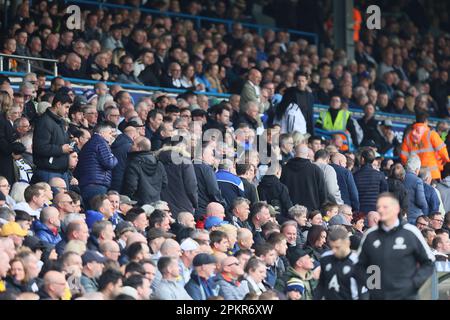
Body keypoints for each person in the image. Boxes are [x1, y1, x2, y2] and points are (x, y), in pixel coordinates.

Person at [355, 193, 435, 300]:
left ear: (396, 209)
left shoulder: (410, 232)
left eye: (385, 207)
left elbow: (429, 261)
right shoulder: (370, 235)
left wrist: (413, 284)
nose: (381, 210)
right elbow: (359, 265)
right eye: (379, 207)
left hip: (406, 296)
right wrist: (371, 285)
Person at [32, 92, 73, 185]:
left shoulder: (60, 121)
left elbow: (59, 142)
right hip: (48, 172)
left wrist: (71, 142)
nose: (68, 111)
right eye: (66, 107)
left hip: (61, 171)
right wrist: (61, 149)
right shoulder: (44, 121)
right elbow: (40, 147)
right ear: (58, 104)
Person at [314, 226, 366, 300]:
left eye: (337, 247)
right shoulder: (325, 258)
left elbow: (363, 293)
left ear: (347, 243)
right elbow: (322, 284)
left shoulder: (357, 263)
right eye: (332, 247)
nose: (334, 251)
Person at [75, 122, 118, 209]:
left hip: (87, 185)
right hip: (97, 184)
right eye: (109, 133)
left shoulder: (90, 143)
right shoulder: (100, 142)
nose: (111, 136)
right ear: (101, 133)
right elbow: (109, 163)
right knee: (98, 213)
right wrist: (114, 157)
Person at [400, 112, 449, 180]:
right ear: (426, 121)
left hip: (415, 174)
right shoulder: (431, 134)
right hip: (432, 174)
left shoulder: (408, 137)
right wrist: (446, 159)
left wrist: (410, 168)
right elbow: (442, 150)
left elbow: (403, 156)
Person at [157, 140, 198, 218]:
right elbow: (191, 185)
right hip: (183, 206)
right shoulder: (185, 161)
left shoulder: (156, 160)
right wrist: (195, 203)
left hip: (162, 205)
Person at [121, 137, 167, 205]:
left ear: (139, 148)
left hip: (139, 204)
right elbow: (164, 183)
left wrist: (129, 198)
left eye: (133, 144)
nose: (131, 146)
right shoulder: (159, 164)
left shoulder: (134, 163)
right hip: (156, 202)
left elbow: (131, 186)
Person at [281, 144, 327, 211]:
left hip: (290, 211)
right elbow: (323, 193)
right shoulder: (315, 170)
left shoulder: (283, 169)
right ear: (307, 154)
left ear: (294, 152)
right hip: (312, 212)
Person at [274, 71, 315, 135]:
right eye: (299, 80)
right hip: (289, 124)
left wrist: (311, 132)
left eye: (303, 81)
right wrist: (278, 123)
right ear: (295, 81)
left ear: (306, 81)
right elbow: (282, 108)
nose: (300, 83)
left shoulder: (310, 96)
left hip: (304, 126)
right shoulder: (289, 92)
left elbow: (310, 114)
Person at [353, 149, 388, 214]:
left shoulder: (355, 175)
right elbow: (384, 194)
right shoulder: (380, 175)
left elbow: (353, 195)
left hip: (360, 211)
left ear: (362, 159)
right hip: (376, 210)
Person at [404, 156, 428, 223]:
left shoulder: (400, 177)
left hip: (402, 215)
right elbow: (421, 202)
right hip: (414, 217)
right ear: (417, 169)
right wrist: (425, 205)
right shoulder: (417, 180)